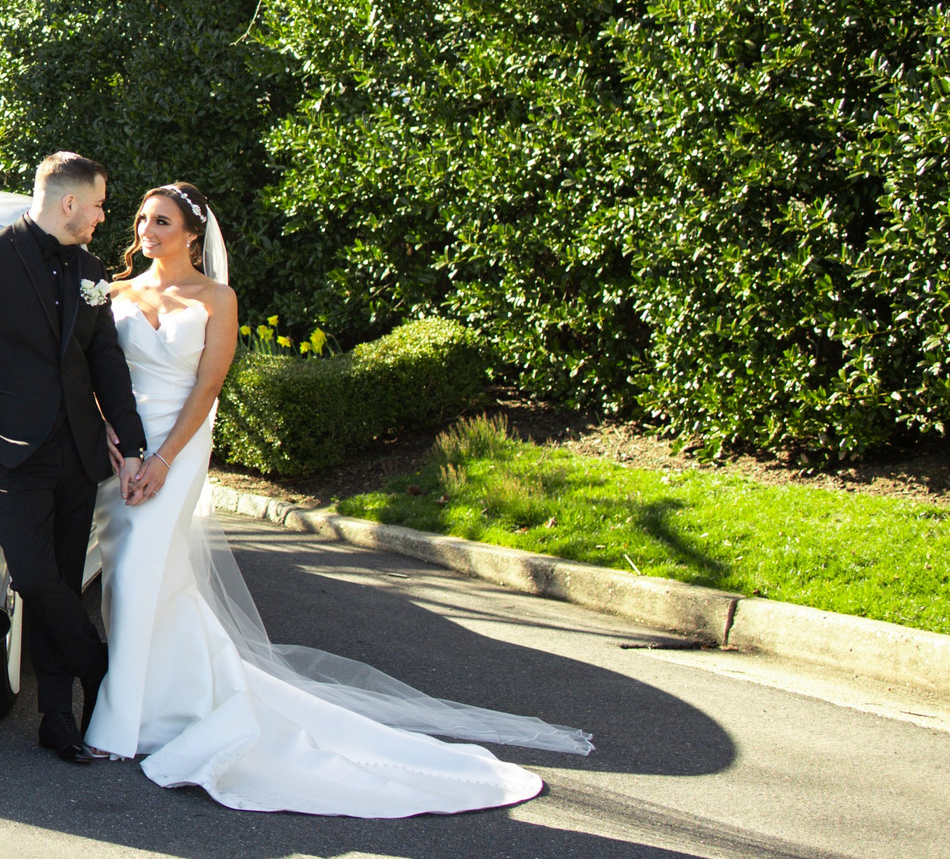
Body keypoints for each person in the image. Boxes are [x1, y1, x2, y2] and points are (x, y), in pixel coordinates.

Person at [86, 180, 594, 815]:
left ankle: (118, 726)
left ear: (192, 234)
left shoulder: (217, 299)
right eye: (141, 220)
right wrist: (116, 436)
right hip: (121, 451)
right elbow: (99, 372)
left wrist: (162, 459)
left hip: (179, 447)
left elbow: (209, 387)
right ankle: (186, 693)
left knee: (140, 571)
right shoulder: (115, 293)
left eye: (161, 222)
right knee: (140, 578)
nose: (146, 232)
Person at [0, 152, 151, 765]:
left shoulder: (90, 268)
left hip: (78, 452)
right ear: (69, 202)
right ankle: (99, 662)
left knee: (62, 580)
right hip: (11, 452)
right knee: (31, 579)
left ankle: (59, 721)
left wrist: (130, 446)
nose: (105, 217)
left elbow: (107, 362)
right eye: (100, 204)